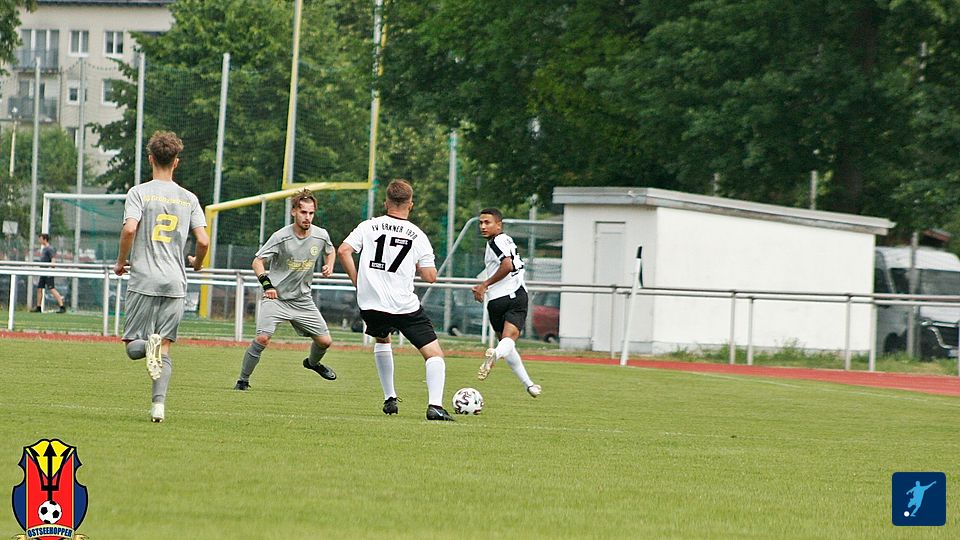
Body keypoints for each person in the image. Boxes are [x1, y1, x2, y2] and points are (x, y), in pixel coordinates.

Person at [337, 179, 455, 421]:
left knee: (383, 338)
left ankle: (390, 397)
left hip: (371, 304)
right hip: (403, 305)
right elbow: (430, 277)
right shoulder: (417, 235)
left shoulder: (369, 226)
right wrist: (419, 264)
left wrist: (358, 281)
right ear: (410, 204)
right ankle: (435, 406)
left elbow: (343, 250)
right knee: (434, 354)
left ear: (386, 202)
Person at [115, 130, 209, 423]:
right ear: (176, 162)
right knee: (165, 347)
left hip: (144, 279)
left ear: (150, 159)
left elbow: (130, 229)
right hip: (175, 282)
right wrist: (197, 263)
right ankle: (158, 406)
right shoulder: (189, 198)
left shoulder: (139, 193)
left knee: (133, 347)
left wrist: (121, 262)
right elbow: (203, 240)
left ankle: (148, 346)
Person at [234, 189, 338, 391]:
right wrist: (267, 285)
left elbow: (330, 250)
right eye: (303, 212)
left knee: (325, 341)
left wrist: (330, 265)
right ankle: (243, 380)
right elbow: (257, 262)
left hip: (302, 300)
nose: (307, 217)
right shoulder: (281, 237)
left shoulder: (321, 235)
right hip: (277, 299)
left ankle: (312, 363)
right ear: (293, 212)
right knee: (262, 338)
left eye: (311, 213)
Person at [472, 208, 541, 397]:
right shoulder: (503, 240)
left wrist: (484, 285)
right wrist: (484, 284)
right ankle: (496, 354)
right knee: (508, 341)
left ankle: (529, 385)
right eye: (481, 223)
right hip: (514, 296)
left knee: (506, 342)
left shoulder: (497, 241)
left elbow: (507, 264)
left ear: (499, 225)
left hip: (496, 301)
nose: (483, 226)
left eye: (487, 222)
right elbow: (509, 265)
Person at [32, 233, 66, 313]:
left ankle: (62, 306)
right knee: (39, 288)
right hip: (43, 272)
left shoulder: (50, 248)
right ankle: (38, 307)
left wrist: (51, 270)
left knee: (52, 289)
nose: (39, 240)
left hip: (47, 272)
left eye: (40, 239)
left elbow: (53, 259)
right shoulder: (44, 249)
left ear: (45, 239)